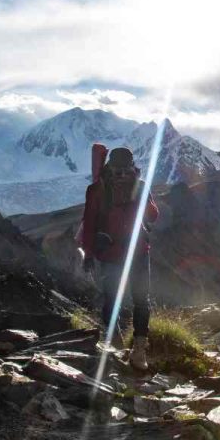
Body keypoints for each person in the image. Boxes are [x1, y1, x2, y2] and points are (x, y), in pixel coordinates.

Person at [81, 146, 158, 370]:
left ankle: (135, 348)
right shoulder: (97, 190)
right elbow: (89, 222)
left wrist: (140, 195)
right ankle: (120, 346)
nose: (122, 175)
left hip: (130, 252)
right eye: (119, 170)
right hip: (120, 252)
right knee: (118, 299)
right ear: (110, 167)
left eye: (126, 170)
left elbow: (153, 215)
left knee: (135, 299)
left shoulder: (137, 187)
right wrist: (88, 252)